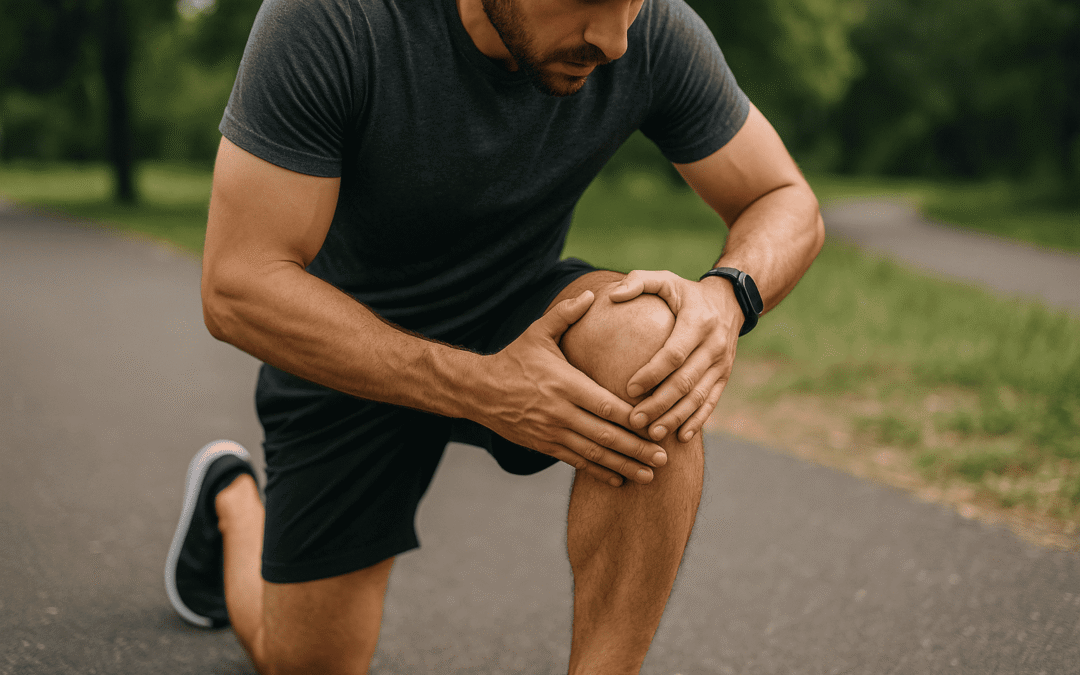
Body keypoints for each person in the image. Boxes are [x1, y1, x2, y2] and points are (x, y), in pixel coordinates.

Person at [164, 0, 824, 671]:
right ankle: (231, 498)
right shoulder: (332, 18)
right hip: (343, 345)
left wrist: (727, 297)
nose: (614, 40)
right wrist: (479, 387)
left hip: (518, 309)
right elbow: (237, 285)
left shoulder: (652, 31)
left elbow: (784, 197)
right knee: (301, 662)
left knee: (654, 347)